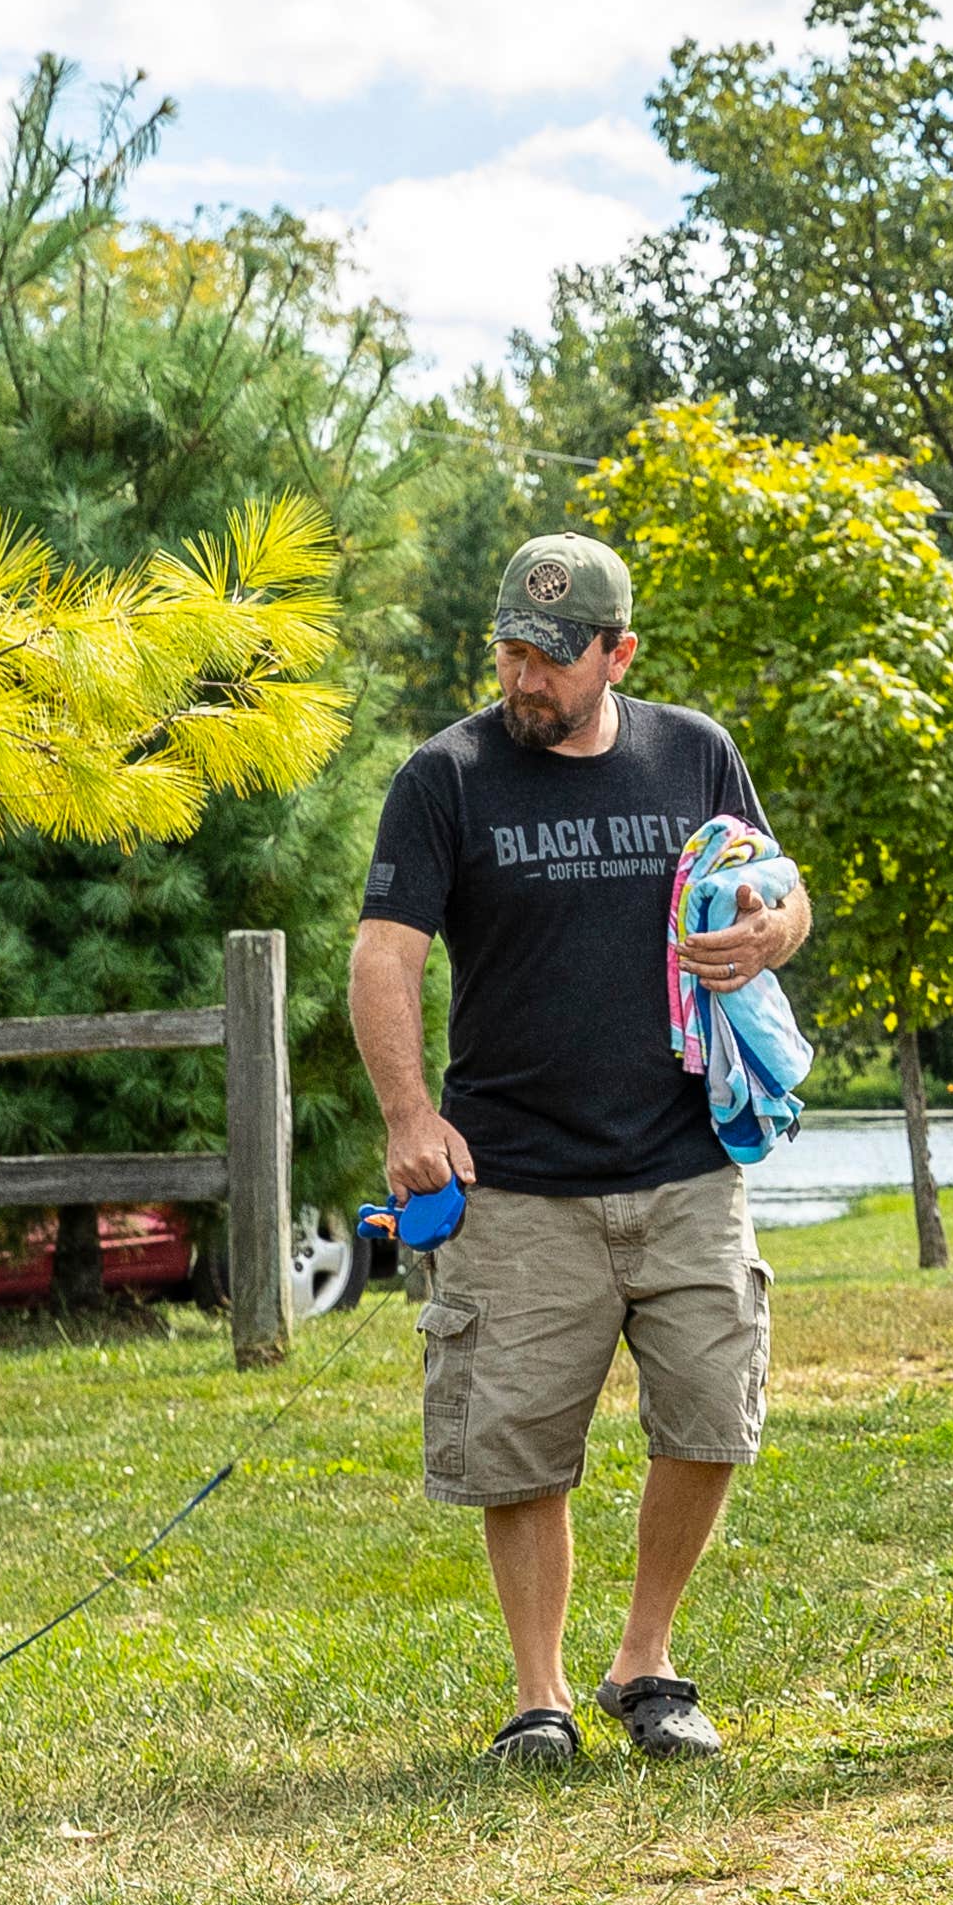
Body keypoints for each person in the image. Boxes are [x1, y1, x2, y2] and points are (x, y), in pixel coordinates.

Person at [348, 529, 815, 1771]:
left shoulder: (694, 750)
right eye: (510, 649)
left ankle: (644, 1660)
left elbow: (783, 887)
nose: (525, 677)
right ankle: (539, 1695)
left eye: (553, 657)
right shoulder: (446, 776)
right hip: (515, 1175)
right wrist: (407, 1116)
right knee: (522, 1441)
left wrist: (768, 935)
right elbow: (386, 953)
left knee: (711, 1415)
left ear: (619, 652)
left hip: (686, 1156)